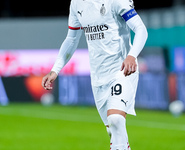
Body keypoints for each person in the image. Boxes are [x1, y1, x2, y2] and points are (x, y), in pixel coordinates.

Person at [42, 0, 148, 149]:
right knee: (113, 130)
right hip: (98, 78)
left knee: (116, 119)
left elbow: (141, 29)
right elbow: (71, 39)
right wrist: (55, 70)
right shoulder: (76, 4)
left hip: (122, 70)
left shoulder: (116, 1)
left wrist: (131, 55)